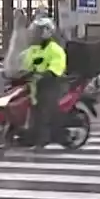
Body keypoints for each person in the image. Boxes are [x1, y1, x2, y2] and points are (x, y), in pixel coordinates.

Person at [21, 17, 67, 147]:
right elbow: (25, 64)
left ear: (47, 32)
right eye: (35, 31)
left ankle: (43, 138)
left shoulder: (55, 50)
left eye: (38, 31)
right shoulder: (34, 49)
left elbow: (55, 69)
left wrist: (44, 75)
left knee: (43, 111)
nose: (35, 34)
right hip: (33, 85)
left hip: (49, 85)